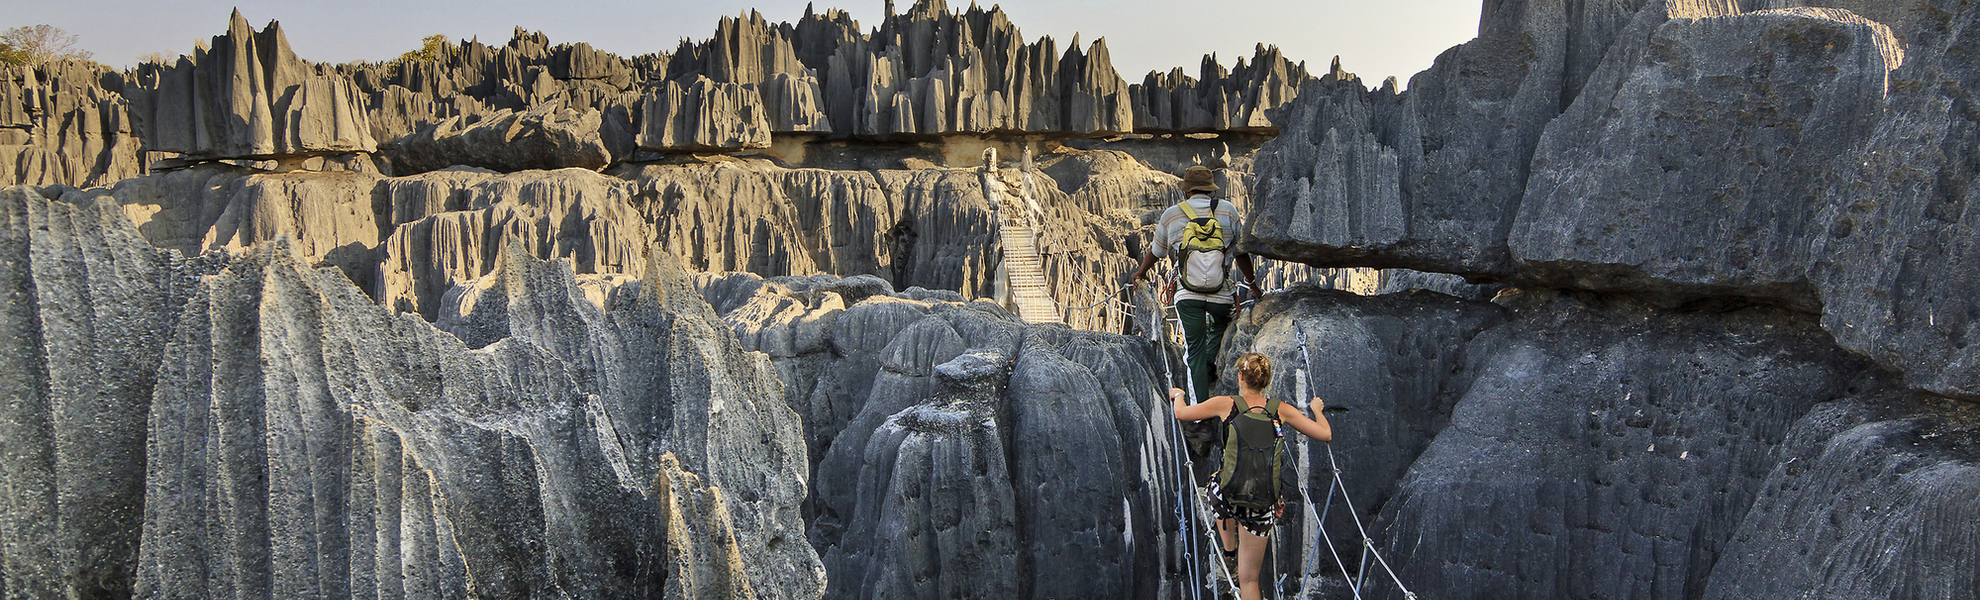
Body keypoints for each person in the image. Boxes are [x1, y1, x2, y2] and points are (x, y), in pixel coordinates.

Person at [1172, 353, 1331, 600]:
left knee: (1215, 483)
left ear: (1241, 376)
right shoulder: (1282, 410)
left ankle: (1229, 552)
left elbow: (1182, 414)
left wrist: (1178, 395)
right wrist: (1317, 410)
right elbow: (1324, 434)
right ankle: (1236, 559)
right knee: (1249, 580)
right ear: (1266, 381)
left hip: (1229, 497)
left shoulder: (1226, 404)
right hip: (1262, 505)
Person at [1132, 165, 1257, 470]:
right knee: (1221, 325)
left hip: (1186, 297)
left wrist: (1140, 272)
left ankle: (1200, 417)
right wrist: (1252, 282)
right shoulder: (1227, 211)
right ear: (1211, 190)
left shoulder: (1173, 214)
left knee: (1194, 351)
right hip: (1222, 293)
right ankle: (1211, 365)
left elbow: (1156, 251)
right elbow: (1240, 253)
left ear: (1186, 191)